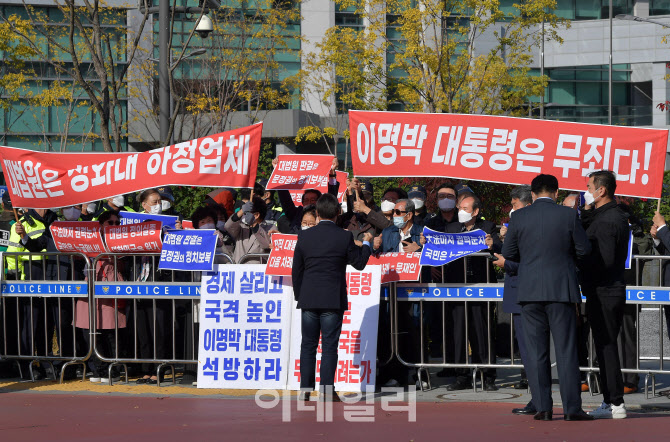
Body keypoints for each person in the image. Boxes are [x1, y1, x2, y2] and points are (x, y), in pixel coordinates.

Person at [502, 173, 593, 422]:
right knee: (566, 351)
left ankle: (543, 408)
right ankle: (572, 409)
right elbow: (584, 249)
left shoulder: (519, 216)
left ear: (532, 194)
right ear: (556, 192)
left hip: (529, 290)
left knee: (536, 352)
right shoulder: (567, 215)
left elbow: (508, 252)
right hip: (561, 290)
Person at [292, 193, 373, 401]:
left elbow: (296, 270)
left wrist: (300, 296)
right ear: (338, 213)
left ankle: (305, 390)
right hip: (332, 299)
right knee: (329, 345)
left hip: (309, 298)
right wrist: (366, 245)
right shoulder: (344, 236)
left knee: (308, 345)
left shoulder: (304, 236)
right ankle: (327, 391)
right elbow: (359, 264)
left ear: (317, 213)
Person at [579, 171, 630, 419]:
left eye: (589, 187)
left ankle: (615, 402)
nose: (586, 190)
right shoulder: (605, 216)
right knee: (604, 346)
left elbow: (606, 260)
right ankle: (611, 400)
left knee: (606, 347)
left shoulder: (610, 220)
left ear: (602, 190)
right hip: (602, 290)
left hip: (605, 291)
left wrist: (582, 263)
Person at [443, 194, 500, 391]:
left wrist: (493, 245)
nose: (461, 211)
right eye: (460, 207)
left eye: (465, 208)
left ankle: (487, 375)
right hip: (457, 288)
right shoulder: (451, 229)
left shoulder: (487, 228)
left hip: (480, 288)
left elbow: (498, 249)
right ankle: (462, 375)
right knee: (458, 332)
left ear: (475, 212)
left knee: (481, 331)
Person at [492, 185, 534, 413]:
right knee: (529, 350)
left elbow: (528, 261)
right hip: (528, 293)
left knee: (530, 350)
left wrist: (506, 263)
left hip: (525, 293)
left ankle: (539, 399)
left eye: (514, 205)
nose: (512, 210)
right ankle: (539, 399)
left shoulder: (526, 226)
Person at [77, 210, 127, 383]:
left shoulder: (123, 241)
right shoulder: (89, 240)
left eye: (116, 223)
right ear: (101, 225)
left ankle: (113, 369)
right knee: (90, 330)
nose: (113, 226)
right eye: (110, 223)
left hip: (111, 285)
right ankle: (98, 369)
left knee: (110, 331)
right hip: (90, 285)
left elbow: (124, 262)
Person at [225, 196, 276, 264]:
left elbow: (266, 244)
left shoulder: (271, 228)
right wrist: (241, 211)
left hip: (255, 271)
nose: (244, 215)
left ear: (257, 215)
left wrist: (254, 224)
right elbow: (228, 226)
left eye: (246, 213)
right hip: (237, 269)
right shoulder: (241, 226)